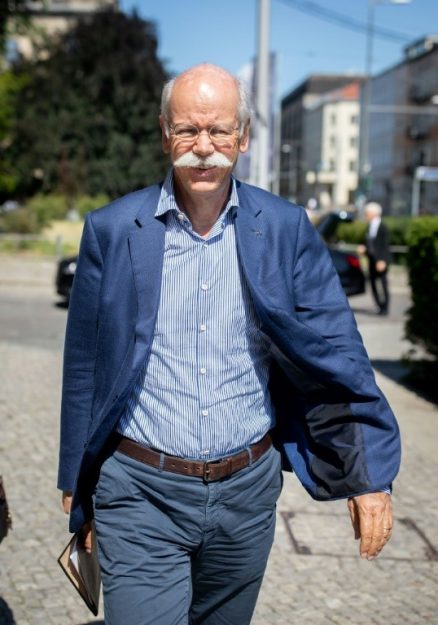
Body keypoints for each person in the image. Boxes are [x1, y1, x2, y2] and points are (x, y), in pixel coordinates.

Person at [58, 64, 401, 625]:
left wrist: (369, 478)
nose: (203, 147)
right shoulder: (113, 229)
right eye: (188, 130)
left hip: (246, 493)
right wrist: (76, 478)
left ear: (243, 137)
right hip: (140, 490)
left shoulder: (286, 228)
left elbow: (338, 351)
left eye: (219, 131)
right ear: (164, 133)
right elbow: (84, 366)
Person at [358, 202, 391, 315]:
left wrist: (383, 261)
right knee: (372, 283)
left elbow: (384, 246)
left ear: (374, 213)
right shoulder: (369, 226)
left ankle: (385, 307)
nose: (365, 215)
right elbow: (368, 243)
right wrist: (364, 248)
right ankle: (379, 305)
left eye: (367, 213)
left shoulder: (383, 227)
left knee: (383, 284)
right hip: (371, 259)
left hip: (381, 261)